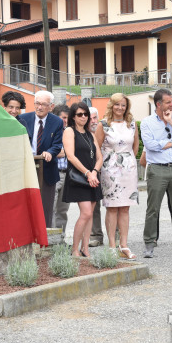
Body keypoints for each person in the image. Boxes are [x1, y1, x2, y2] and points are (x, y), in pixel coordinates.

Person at [140, 89, 172, 258]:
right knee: (153, 209)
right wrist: (171, 143)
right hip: (158, 169)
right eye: (168, 102)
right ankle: (149, 243)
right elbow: (150, 145)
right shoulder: (147, 123)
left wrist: (171, 121)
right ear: (158, 104)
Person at [95, 93, 139, 260]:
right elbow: (97, 148)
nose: (120, 108)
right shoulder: (103, 124)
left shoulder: (132, 124)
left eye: (123, 105)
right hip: (110, 170)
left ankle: (124, 245)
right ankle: (112, 245)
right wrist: (108, 164)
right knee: (112, 207)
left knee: (125, 207)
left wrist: (127, 161)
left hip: (128, 169)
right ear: (111, 105)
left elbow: (135, 145)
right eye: (117, 104)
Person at [62, 103, 103, 257]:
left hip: (92, 178)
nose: (84, 117)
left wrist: (94, 172)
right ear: (73, 116)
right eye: (80, 114)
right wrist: (88, 173)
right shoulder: (69, 131)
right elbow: (71, 156)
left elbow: (99, 157)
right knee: (85, 213)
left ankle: (85, 249)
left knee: (90, 214)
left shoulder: (90, 134)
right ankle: (74, 250)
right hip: (79, 178)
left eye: (86, 114)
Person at [20, 90, 64, 228]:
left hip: (47, 169)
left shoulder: (57, 122)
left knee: (46, 207)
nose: (39, 107)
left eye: (43, 104)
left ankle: (44, 238)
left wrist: (50, 152)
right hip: (26, 168)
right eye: (37, 103)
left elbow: (57, 145)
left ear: (51, 106)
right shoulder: (23, 119)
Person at [51, 104, 71, 235]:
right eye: (62, 117)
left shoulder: (69, 132)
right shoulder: (51, 131)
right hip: (54, 173)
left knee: (63, 210)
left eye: (67, 118)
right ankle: (51, 241)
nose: (64, 120)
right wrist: (65, 152)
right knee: (51, 209)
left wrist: (65, 152)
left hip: (67, 175)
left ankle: (61, 240)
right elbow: (50, 151)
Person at [88, 107, 104, 247]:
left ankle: (117, 235)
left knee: (113, 205)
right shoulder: (84, 134)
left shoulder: (106, 129)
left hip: (109, 171)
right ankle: (96, 236)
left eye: (95, 118)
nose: (93, 121)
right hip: (92, 172)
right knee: (94, 204)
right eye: (90, 118)